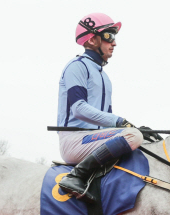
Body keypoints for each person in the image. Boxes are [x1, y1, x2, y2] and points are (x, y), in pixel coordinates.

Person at [55, 13, 149, 203]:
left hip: (94, 139)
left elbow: (104, 119)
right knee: (133, 136)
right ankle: (76, 176)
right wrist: (121, 123)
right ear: (91, 39)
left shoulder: (104, 76)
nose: (114, 43)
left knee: (144, 140)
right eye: (109, 36)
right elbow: (79, 109)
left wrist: (132, 127)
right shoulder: (76, 66)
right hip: (74, 140)